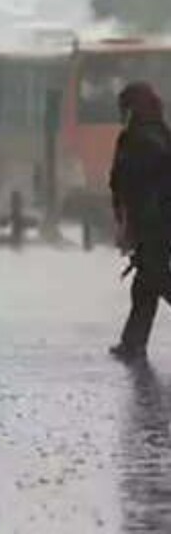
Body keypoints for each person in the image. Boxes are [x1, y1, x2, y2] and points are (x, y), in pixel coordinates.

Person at [109, 81, 171, 361]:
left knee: (154, 277)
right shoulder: (161, 133)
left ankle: (133, 342)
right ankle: (133, 342)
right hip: (158, 218)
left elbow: (125, 182)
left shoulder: (136, 139)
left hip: (151, 219)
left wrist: (125, 219)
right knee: (146, 283)